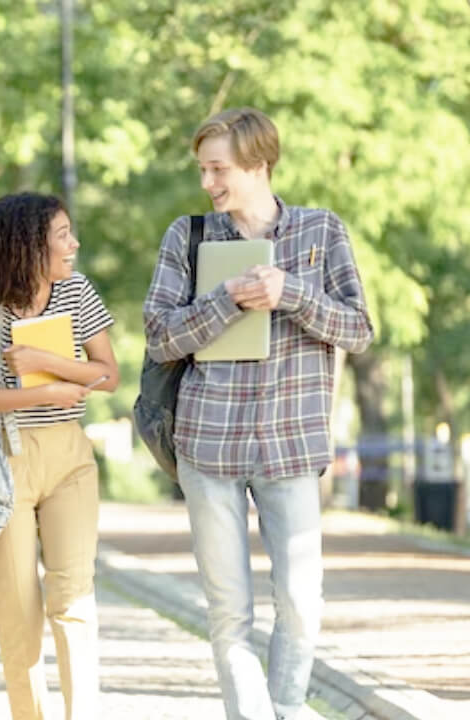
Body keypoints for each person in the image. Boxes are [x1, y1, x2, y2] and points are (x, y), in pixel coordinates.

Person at [143, 107, 373, 720]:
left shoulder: (321, 233)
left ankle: (286, 706)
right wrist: (225, 300)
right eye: (203, 170)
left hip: (291, 446)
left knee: (301, 601)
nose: (207, 183)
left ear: (258, 164)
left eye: (218, 169)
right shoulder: (187, 237)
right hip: (208, 446)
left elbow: (359, 330)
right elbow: (159, 337)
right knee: (229, 612)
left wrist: (290, 294)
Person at [0, 193, 118, 720]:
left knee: (73, 598)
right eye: (62, 235)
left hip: (69, 454)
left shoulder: (76, 291)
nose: (75, 244)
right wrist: (40, 393)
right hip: (3, 461)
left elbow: (107, 374)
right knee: (19, 609)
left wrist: (47, 362)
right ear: (26, 247)